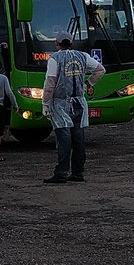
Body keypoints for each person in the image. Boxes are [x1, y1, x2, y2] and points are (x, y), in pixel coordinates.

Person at [41, 33, 105, 184]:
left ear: (57, 44)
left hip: (60, 103)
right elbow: (100, 70)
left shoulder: (54, 59)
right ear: (71, 43)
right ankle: (78, 172)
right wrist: (88, 84)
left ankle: (61, 173)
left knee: (64, 138)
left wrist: (45, 102)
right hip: (79, 103)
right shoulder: (83, 56)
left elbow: (50, 83)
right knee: (78, 138)